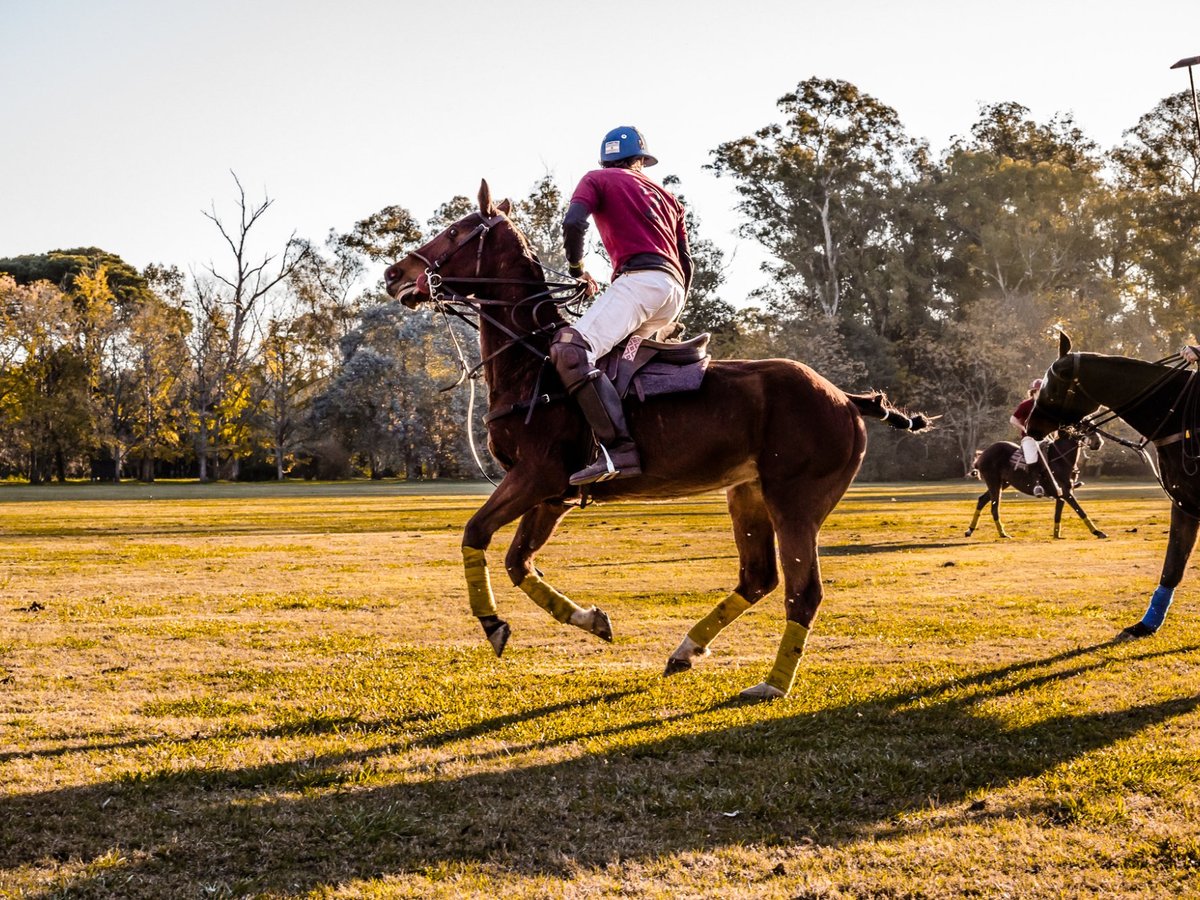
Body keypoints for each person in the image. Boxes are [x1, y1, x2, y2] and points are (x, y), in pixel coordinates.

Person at [549, 125, 693, 486]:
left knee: (571, 350)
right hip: (672, 290)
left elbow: (573, 223)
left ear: (606, 159)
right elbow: (687, 260)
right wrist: (674, 308)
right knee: (615, 364)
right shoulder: (669, 197)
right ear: (641, 161)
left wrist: (577, 270)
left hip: (639, 283)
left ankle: (620, 449)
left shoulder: (597, 178)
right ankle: (613, 448)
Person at [1010, 378, 1061, 499]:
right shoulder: (1026, 405)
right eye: (1040, 390)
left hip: (1044, 437)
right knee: (1032, 458)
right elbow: (1012, 419)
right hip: (1029, 438)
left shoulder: (1047, 405)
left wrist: (1055, 433)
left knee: (1057, 454)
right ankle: (1036, 485)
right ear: (1033, 392)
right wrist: (1023, 428)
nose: (1043, 393)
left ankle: (1063, 481)